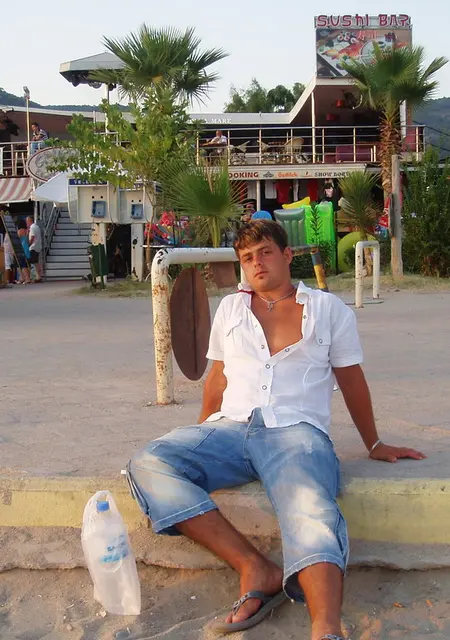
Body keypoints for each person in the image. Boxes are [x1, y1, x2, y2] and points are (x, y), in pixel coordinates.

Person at [127, 220, 425, 640]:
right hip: (231, 428)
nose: (257, 263)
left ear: (286, 255)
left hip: (296, 433)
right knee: (148, 463)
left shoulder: (327, 309)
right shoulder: (231, 309)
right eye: (247, 257)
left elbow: (351, 379)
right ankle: (254, 567)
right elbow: (217, 377)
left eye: (265, 252)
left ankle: (326, 627)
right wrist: (202, 435)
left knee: (309, 507)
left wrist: (373, 442)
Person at [26, 216, 43, 282]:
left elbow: (32, 238)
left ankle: (29, 277)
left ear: (29, 221)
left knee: (28, 262)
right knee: (35, 262)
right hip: (37, 247)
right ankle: (38, 277)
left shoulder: (32, 227)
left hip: (33, 247)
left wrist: (28, 245)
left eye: (27, 221)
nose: (26, 223)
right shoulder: (36, 227)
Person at [16, 219, 31, 284]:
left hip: (21, 249)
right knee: (25, 264)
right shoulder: (26, 231)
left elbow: (17, 240)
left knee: (22, 265)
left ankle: (26, 278)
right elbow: (28, 241)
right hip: (26, 248)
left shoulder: (20, 231)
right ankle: (26, 278)